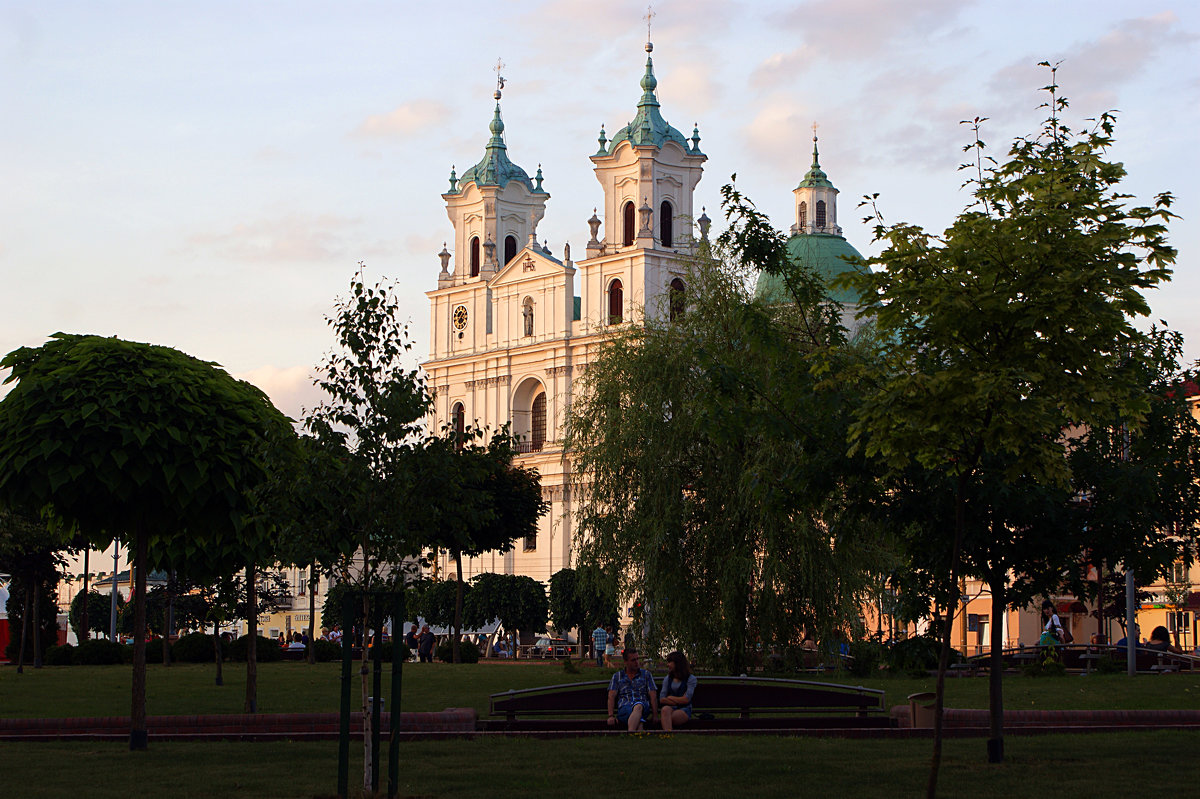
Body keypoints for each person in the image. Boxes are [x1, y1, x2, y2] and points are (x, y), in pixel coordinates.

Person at [607, 648, 658, 732]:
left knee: (638, 706)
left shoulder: (646, 675)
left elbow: (653, 695)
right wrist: (611, 715)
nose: (637, 662)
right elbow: (611, 696)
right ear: (625, 662)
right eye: (633, 660)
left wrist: (655, 715)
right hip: (625, 708)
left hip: (642, 706)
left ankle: (630, 733)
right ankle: (638, 732)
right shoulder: (617, 676)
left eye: (637, 659)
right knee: (637, 716)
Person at [658, 651, 697, 732]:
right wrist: (679, 700)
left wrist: (670, 697)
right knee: (665, 710)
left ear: (677, 663)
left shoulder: (690, 679)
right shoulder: (668, 679)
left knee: (668, 717)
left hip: (685, 709)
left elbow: (686, 699)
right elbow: (662, 699)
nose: (668, 665)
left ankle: (668, 735)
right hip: (670, 707)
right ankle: (668, 735)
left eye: (670, 662)